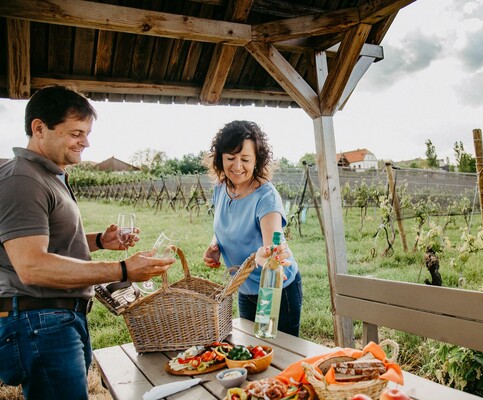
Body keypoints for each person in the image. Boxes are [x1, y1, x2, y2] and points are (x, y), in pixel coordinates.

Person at [0, 85, 175, 400]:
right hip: (40, 322)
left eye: (87, 133)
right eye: (76, 133)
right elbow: (32, 266)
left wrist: (99, 240)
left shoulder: (48, 176)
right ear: (39, 128)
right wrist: (122, 269)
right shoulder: (22, 180)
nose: (86, 142)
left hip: (55, 319)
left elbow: (50, 242)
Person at [203, 120, 302, 336]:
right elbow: (225, 224)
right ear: (220, 158)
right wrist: (215, 245)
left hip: (274, 289)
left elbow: (273, 248)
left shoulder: (266, 198)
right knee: (251, 351)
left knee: (277, 354)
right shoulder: (221, 188)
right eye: (230, 158)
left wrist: (266, 256)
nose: (237, 166)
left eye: (245, 159)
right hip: (244, 286)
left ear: (257, 160)